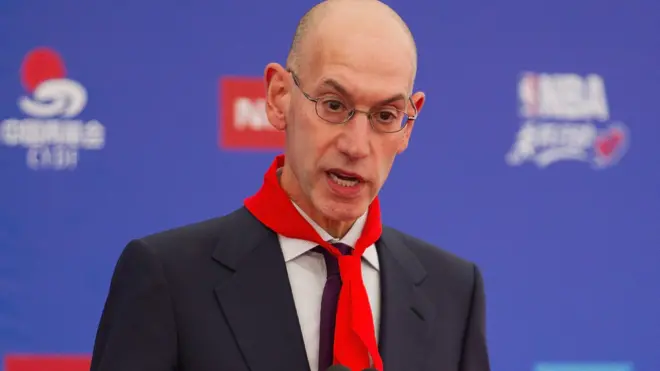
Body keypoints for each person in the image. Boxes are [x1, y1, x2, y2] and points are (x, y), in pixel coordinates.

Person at [89, 0, 491, 370]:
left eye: (386, 115)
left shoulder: (454, 292)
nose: (356, 145)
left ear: (409, 123)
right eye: (334, 105)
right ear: (279, 97)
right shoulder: (168, 278)